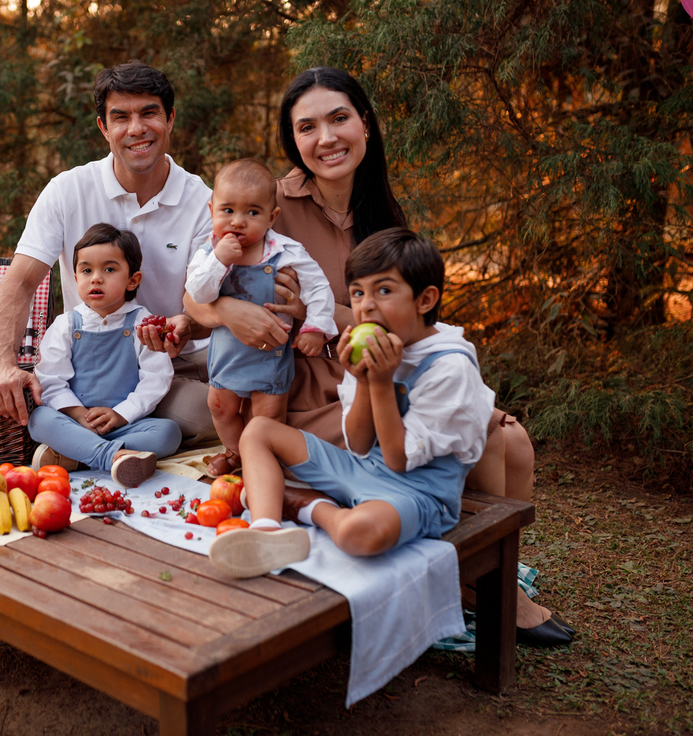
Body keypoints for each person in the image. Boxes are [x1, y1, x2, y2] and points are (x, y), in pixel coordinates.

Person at [186, 66, 570, 644]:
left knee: (511, 439)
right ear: (293, 140)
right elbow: (196, 289)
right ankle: (485, 588)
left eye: (339, 119)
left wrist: (346, 321)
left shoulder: (380, 209)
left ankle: (484, 571)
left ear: (364, 124)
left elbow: (403, 319)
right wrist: (230, 314)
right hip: (306, 388)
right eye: (307, 127)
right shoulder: (271, 202)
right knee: (489, 443)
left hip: (374, 372)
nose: (326, 138)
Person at [209, 228, 492, 577]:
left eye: (384, 291)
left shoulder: (449, 367)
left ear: (425, 299)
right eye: (357, 293)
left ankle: (307, 507)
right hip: (362, 468)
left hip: (415, 494)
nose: (366, 305)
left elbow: (399, 460)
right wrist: (360, 380)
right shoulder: (375, 345)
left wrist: (382, 383)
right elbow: (358, 445)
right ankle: (266, 529)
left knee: (359, 534)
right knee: (259, 431)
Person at [0, 60, 216, 444]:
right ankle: (121, 439)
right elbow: (21, 281)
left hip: (171, 366)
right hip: (88, 369)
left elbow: (207, 303)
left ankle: (93, 440)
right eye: (120, 117)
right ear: (103, 128)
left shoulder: (201, 202)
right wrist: (3, 364)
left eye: (149, 113)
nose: (137, 129)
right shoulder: (66, 190)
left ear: (170, 119)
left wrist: (187, 325)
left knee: (225, 409)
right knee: (39, 409)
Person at [184, 158, 336, 476]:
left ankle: (262, 460)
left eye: (252, 212)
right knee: (220, 407)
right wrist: (219, 261)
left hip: (271, 356)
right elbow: (198, 293)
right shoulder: (208, 252)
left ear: (272, 217)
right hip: (228, 353)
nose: (238, 222)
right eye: (227, 211)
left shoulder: (286, 252)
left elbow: (319, 288)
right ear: (212, 209)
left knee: (266, 418)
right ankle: (236, 452)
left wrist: (315, 327)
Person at [26, 224, 181, 487]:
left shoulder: (143, 324)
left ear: (133, 280)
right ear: (76, 278)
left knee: (168, 433)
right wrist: (78, 416)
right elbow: (51, 381)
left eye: (109, 269)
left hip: (122, 423)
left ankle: (77, 455)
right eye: (87, 270)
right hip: (75, 420)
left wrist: (121, 414)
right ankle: (112, 456)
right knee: (39, 420)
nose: (96, 278)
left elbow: (157, 378)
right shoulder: (66, 325)